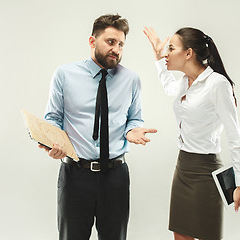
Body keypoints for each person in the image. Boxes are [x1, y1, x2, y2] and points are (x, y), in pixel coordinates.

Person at [38, 14, 157, 240]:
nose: (117, 50)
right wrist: (52, 142)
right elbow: (53, 117)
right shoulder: (64, 75)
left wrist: (132, 131)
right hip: (75, 175)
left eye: (121, 44)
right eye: (111, 42)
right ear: (92, 41)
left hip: (115, 177)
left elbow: (135, 118)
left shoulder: (131, 79)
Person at [143, 27, 240, 240]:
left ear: (189, 53)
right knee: (180, 234)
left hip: (206, 172)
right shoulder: (185, 82)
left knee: (208, 234)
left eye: (171, 48)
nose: (166, 53)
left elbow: (234, 137)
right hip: (182, 167)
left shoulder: (217, 85)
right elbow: (168, 88)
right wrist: (157, 59)